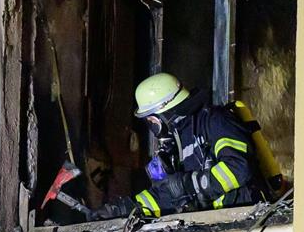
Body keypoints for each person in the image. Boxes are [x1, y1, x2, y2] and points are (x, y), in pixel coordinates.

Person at [89, 72, 258, 220]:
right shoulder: (176, 146)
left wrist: (190, 184)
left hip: (242, 221)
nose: (151, 126)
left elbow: (239, 168)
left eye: (150, 120)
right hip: (211, 226)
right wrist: (125, 210)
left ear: (162, 113)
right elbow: (167, 193)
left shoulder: (214, 121)